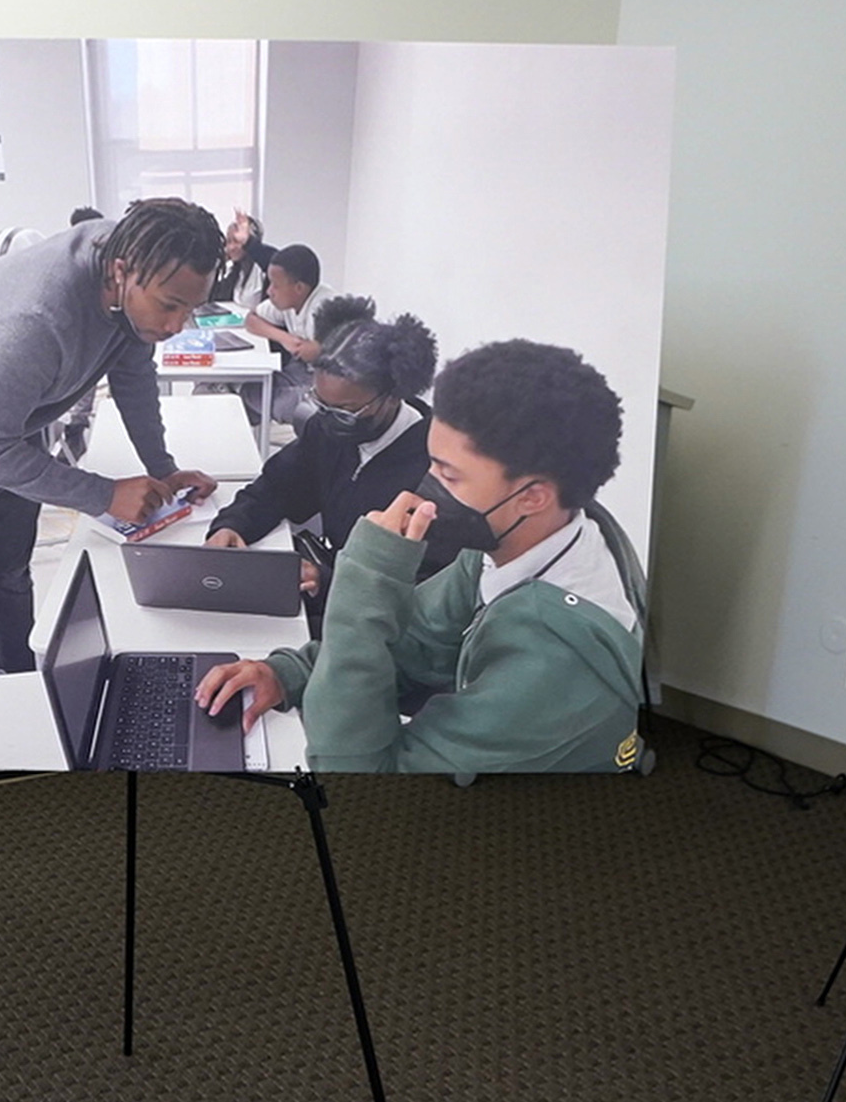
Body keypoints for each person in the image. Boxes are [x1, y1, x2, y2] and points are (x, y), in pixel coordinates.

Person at [194, 340, 644, 776]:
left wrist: (365, 576)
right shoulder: (511, 543)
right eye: (432, 462)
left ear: (533, 497)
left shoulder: (557, 666)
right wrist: (287, 672)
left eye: (449, 474)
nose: (425, 485)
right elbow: (415, 642)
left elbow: (360, 776)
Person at [0, 200, 221, 723]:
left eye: (191, 309)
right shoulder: (35, 316)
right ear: (122, 271)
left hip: (10, 428)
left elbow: (133, 376)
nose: (177, 325)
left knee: (10, 575)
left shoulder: (133, 261)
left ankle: (19, 690)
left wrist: (162, 466)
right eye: (170, 306)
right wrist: (102, 494)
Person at [203, 297, 471, 623]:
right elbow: (278, 486)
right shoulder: (328, 430)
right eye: (320, 402)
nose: (328, 418)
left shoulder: (434, 474)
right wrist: (234, 524)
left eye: (345, 410)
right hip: (334, 581)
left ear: (393, 395)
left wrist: (330, 582)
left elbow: (425, 591)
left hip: (374, 620)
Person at [239, 242, 329, 425]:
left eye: (275, 285)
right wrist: (286, 339)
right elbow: (251, 320)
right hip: (299, 371)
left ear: (298, 288)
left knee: (258, 398)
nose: (269, 291)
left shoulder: (323, 311)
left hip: (324, 386)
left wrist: (317, 350)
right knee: (251, 392)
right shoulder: (289, 301)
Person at [206, 210, 271, 308]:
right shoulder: (235, 271)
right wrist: (219, 264)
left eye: (236, 241)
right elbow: (212, 296)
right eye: (228, 241)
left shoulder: (264, 271)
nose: (230, 247)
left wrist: (249, 243)